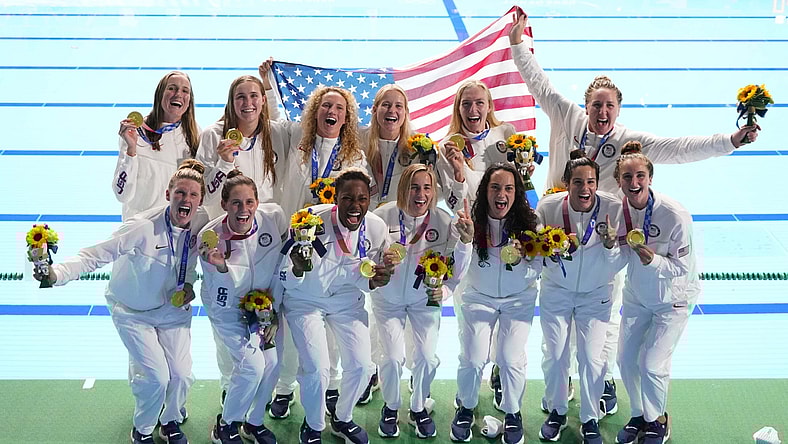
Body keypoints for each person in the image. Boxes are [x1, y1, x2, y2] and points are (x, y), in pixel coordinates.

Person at [508, 8, 758, 412]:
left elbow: (679, 148)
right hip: (559, 227)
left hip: (604, 239)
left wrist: (728, 140)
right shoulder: (565, 114)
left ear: (618, 109)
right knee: (556, 314)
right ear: (586, 106)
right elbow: (537, 81)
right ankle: (565, 382)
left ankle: (601, 378)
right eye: (596, 105)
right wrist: (518, 42)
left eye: (609, 106)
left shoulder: (632, 142)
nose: (602, 113)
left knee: (603, 319)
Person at [36, 160, 209, 444]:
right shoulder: (141, 227)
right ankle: (142, 430)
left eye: (192, 195)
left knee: (180, 376)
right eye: (180, 193)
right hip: (132, 312)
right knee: (156, 378)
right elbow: (94, 254)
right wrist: (56, 274)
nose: (186, 200)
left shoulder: (202, 222)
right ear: (168, 195)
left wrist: (189, 285)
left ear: (201, 200)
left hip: (173, 309)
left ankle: (170, 420)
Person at [279, 168, 395, 444]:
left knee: (363, 367)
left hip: (347, 302)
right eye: (347, 199)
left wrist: (380, 279)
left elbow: (372, 275)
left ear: (369, 199)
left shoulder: (376, 228)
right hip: (305, 301)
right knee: (317, 369)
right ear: (336, 199)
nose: (355, 206)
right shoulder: (309, 221)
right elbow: (284, 276)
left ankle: (342, 419)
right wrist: (297, 269)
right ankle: (313, 425)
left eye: (362, 199)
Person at [371, 164, 473, 439]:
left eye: (427, 187)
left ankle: (418, 407)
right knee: (392, 358)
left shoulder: (443, 220)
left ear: (434, 191)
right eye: (415, 187)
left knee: (427, 359)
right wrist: (378, 266)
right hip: (388, 300)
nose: (421, 194)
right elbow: (364, 255)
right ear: (403, 188)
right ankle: (391, 407)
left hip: (424, 300)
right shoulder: (381, 217)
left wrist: (449, 290)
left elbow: (459, 260)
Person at [535, 150, 627, 444]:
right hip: (557, 292)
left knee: (591, 357)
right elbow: (534, 248)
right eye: (577, 182)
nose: (584, 188)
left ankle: (590, 418)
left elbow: (622, 259)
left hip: (596, 295)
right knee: (556, 354)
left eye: (590, 182)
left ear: (597, 184)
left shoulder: (613, 207)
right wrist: (548, 251)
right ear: (566, 183)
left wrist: (612, 246)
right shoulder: (549, 207)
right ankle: (557, 411)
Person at [611, 141, 699, 444]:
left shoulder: (674, 215)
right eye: (627, 177)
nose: (633, 183)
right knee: (624, 360)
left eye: (640, 177)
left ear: (650, 178)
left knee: (651, 364)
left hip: (673, 299)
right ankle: (639, 414)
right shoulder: (617, 210)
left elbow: (683, 268)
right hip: (637, 297)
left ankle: (658, 419)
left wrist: (655, 261)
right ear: (618, 179)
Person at [450, 163, 541, 444]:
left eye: (509, 188)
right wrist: (464, 242)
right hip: (478, 297)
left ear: (516, 193)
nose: (502, 194)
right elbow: (459, 269)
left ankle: (513, 413)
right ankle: (466, 406)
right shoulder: (470, 222)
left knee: (510, 358)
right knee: (474, 356)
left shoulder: (531, 223)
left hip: (518, 301)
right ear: (485, 191)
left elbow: (539, 265)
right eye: (495, 187)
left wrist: (523, 261)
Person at [198, 170, 288, 444]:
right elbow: (220, 293)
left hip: (265, 308)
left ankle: (254, 422)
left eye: (249, 202)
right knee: (252, 367)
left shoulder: (273, 218)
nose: (243, 209)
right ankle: (225, 425)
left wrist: (273, 311)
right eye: (236, 203)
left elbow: (279, 267)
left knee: (273, 364)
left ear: (257, 203)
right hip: (228, 312)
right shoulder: (210, 237)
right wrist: (222, 268)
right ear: (224, 204)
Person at [197, 75, 289, 219]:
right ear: (232, 102)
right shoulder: (213, 135)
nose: (248, 103)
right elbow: (206, 198)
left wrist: (269, 86)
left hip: (268, 227)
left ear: (263, 100)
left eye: (254, 96)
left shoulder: (278, 133)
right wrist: (224, 163)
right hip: (227, 228)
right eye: (241, 97)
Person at [115, 71, 201, 221]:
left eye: (185, 90)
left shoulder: (195, 136)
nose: (178, 94)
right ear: (159, 94)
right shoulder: (136, 131)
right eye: (172, 88)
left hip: (175, 229)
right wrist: (131, 150)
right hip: (139, 226)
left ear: (190, 100)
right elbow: (122, 194)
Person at [437, 80, 517, 214]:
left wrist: (523, 175)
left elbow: (516, 190)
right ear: (458, 108)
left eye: (479, 103)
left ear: (489, 106)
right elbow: (455, 207)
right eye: (466, 104)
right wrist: (458, 174)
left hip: (509, 218)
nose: (472, 109)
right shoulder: (448, 147)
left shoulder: (506, 133)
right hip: (474, 224)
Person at [363, 84, 417, 208]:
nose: (392, 110)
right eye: (386, 105)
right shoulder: (359, 140)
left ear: (406, 112)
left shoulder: (417, 146)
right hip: (365, 218)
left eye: (398, 106)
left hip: (402, 218)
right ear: (375, 110)